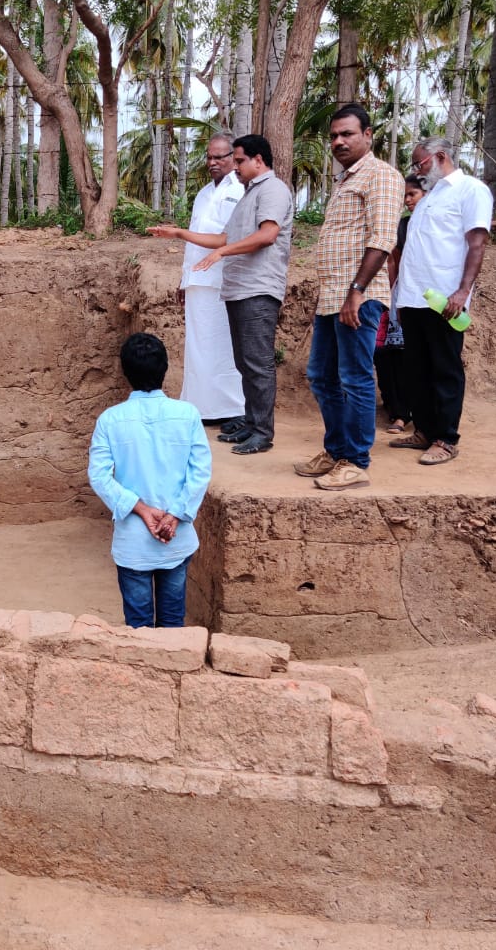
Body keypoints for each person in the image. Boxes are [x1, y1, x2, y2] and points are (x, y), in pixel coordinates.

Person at [150, 134, 293, 455]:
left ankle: (261, 431)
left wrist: (223, 252)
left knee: (257, 362)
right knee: (244, 361)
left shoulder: (273, 189)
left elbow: (267, 234)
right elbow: (225, 236)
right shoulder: (248, 193)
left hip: (259, 286)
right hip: (239, 287)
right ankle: (251, 423)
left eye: (239, 161)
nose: (235, 168)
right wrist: (178, 233)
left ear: (259, 160)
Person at [295, 104, 404, 490]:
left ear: (368, 135)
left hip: (359, 296)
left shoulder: (382, 176)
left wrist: (356, 293)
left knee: (355, 378)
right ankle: (337, 450)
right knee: (321, 376)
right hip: (333, 297)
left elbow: (382, 238)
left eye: (348, 134)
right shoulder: (344, 180)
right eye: (334, 136)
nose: (339, 141)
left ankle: (355, 461)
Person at [88, 332, 212, 628]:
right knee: (172, 620)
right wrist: (174, 514)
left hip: (133, 542)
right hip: (176, 536)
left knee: (138, 624)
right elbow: (200, 471)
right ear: (165, 368)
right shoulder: (187, 415)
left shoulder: (110, 420)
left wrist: (141, 509)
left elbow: (99, 475)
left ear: (125, 372)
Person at [391, 137, 493, 466]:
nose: (417, 171)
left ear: (440, 157)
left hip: (445, 299)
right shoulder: (430, 197)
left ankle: (445, 438)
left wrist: (463, 291)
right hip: (414, 297)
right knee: (415, 370)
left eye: (420, 164)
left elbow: (476, 245)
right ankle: (423, 429)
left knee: (445, 369)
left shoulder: (471, 190)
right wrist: (400, 299)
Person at [147, 133, 245, 426]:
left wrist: (177, 233)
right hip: (198, 281)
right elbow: (195, 243)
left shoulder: (240, 190)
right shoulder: (204, 193)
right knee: (199, 348)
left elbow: (230, 238)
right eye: (209, 157)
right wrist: (184, 280)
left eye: (220, 157)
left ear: (233, 157)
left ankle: (235, 409)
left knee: (224, 347)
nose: (213, 162)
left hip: (223, 279)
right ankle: (204, 408)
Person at [376, 175, 426, 435]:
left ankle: (418, 413)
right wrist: (393, 299)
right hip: (400, 297)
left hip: (428, 299)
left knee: (414, 358)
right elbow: (393, 261)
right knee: (388, 355)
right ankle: (398, 413)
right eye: (404, 196)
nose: (407, 201)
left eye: (412, 195)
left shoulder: (433, 224)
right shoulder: (403, 226)